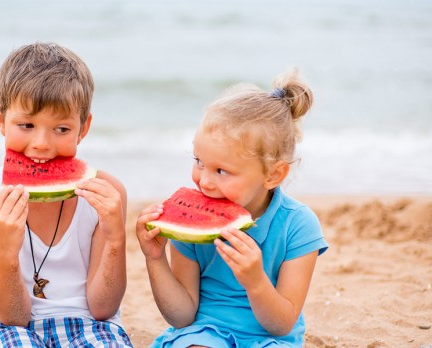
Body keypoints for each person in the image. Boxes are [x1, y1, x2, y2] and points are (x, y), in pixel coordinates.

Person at [135, 68, 329, 347]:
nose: (204, 181)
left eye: (222, 171)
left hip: (270, 339)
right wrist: (155, 259)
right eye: (198, 161)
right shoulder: (190, 224)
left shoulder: (298, 225)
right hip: (203, 332)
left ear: (273, 175)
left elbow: (282, 323)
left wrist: (255, 281)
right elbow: (182, 316)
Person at [0, 42, 132, 347]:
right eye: (26, 124)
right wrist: (5, 251)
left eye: (61, 129)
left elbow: (103, 308)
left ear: (84, 127)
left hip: (91, 322)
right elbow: (14, 316)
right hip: (13, 326)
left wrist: (116, 239)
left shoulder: (106, 194)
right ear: (0, 118)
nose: (41, 143)